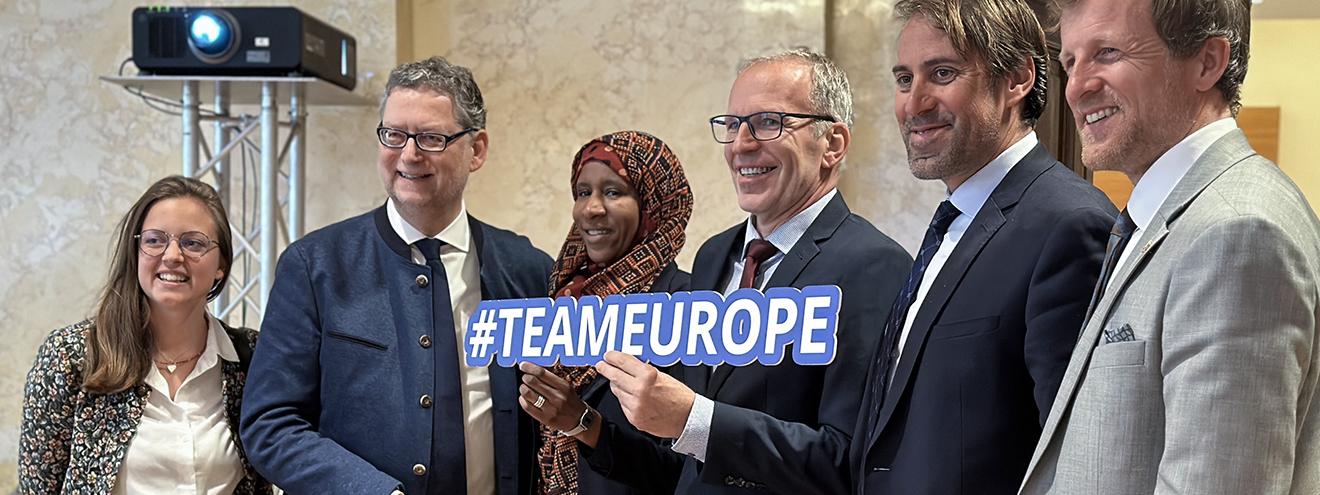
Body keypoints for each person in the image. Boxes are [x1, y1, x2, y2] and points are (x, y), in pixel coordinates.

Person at [1020, 0, 1320, 493]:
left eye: (1108, 53)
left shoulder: (1237, 232)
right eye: (1071, 62)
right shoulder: (1166, 217)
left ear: (1207, 61)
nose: (1077, 87)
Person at [593, 49, 913, 494]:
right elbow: (685, 460)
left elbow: (848, 460)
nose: (741, 144)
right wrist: (582, 423)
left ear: (833, 144)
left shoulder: (876, 266)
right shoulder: (712, 256)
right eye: (732, 124)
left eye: (767, 122)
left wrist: (695, 419)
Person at [240, 56, 553, 495]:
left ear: (476, 149)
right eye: (394, 135)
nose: (409, 154)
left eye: (430, 138)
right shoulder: (316, 266)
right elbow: (270, 425)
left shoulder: (527, 269)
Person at [848, 1, 1116, 493]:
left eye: (942, 73)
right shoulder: (955, 218)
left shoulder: (1070, 224)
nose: (915, 103)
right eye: (904, 79)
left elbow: (1076, 458)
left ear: (1016, 79)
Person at [19, 175, 270, 494]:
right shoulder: (72, 357)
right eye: (155, 240)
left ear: (221, 264)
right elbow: (38, 488)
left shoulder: (253, 357)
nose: (172, 256)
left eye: (193, 242)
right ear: (135, 252)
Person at [518, 130, 694, 495]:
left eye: (613, 192)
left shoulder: (685, 304)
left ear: (653, 204)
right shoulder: (560, 297)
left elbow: (686, 469)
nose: (591, 208)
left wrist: (583, 423)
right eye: (583, 192)